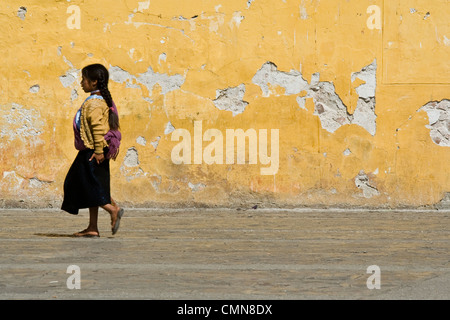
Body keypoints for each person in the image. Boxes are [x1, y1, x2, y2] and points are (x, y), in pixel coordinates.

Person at [61, 63, 124, 237]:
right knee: (95, 185)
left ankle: (112, 209)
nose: (82, 83)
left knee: (80, 184)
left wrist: (97, 151)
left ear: (94, 82)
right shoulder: (100, 100)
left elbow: (97, 129)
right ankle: (92, 227)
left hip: (92, 152)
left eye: (84, 79)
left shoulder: (94, 103)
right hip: (94, 150)